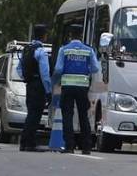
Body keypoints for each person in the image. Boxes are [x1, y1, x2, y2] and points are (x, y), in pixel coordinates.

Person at [53, 24, 101, 155]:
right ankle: (86, 147)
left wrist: (57, 80)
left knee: (67, 116)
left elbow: (58, 69)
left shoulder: (64, 49)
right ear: (81, 35)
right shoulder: (89, 50)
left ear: (70, 35)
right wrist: (85, 71)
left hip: (67, 86)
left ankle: (69, 146)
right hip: (82, 87)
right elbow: (96, 68)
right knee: (83, 116)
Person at [17, 24, 52, 152]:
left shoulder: (27, 49)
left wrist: (27, 78)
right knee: (35, 115)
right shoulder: (40, 51)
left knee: (30, 113)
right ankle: (29, 143)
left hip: (29, 85)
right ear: (44, 36)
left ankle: (25, 142)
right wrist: (48, 91)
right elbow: (45, 74)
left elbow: (18, 69)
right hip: (38, 86)